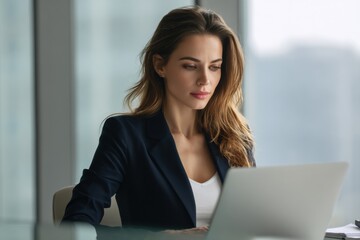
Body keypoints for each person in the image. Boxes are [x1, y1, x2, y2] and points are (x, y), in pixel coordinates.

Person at [62, 5, 255, 231]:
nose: (205, 80)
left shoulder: (234, 137)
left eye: (215, 67)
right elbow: (75, 223)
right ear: (160, 65)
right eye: (190, 66)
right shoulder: (125, 135)